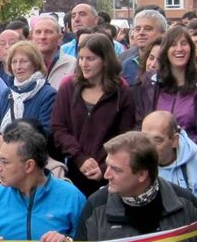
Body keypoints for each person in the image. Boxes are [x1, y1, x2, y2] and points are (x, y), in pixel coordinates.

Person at [50, 34, 135, 196]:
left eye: (90, 59)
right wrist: (80, 158)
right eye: (81, 58)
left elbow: (126, 135)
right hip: (73, 168)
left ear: (105, 60)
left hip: (110, 170)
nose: (84, 64)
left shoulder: (121, 91)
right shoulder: (69, 87)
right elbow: (58, 128)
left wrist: (103, 167)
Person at [132, 25, 197, 161]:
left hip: (196, 161)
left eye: (184, 43)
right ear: (165, 51)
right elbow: (139, 124)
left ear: (191, 49)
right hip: (156, 163)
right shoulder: (149, 85)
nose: (179, 49)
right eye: (173, 44)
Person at [140, 111, 197, 212]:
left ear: (174, 140)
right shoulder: (137, 164)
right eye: (145, 139)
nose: (149, 147)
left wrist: (195, 209)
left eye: (157, 140)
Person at [0, 40, 56, 135]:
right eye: (14, 62)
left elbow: (45, 132)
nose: (18, 67)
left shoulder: (48, 94)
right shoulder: (7, 93)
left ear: (35, 64)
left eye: (24, 61)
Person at [121, 9, 168, 85]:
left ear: (163, 33)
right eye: (137, 29)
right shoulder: (126, 63)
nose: (141, 33)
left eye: (147, 29)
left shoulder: (172, 63)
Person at [30, 15, 77, 90]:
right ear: (32, 38)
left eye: (48, 32)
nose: (42, 37)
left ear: (59, 38)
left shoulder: (73, 66)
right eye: (38, 32)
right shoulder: (25, 65)